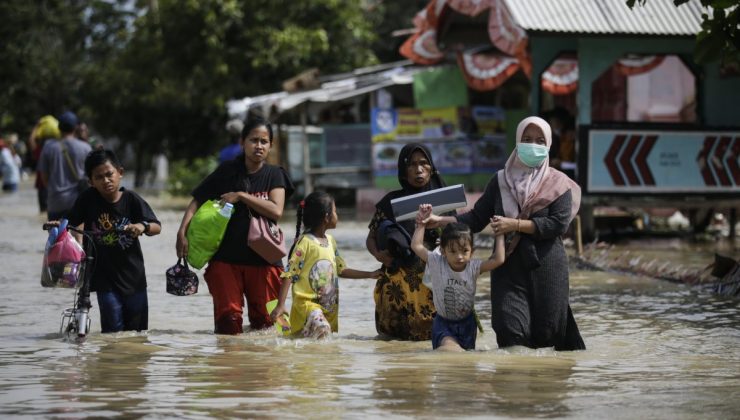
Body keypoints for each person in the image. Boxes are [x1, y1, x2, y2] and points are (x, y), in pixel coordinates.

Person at [423, 116, 585, 351]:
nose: (533, 145)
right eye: (527, 139)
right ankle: (510, 384)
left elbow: (558, 224)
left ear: (549, 145)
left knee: (549, 333)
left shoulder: (559, 184)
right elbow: (476, 218)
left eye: (540, 141)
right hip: (508, 265)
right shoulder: (500, 181)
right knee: (510, 330)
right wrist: (440, 220)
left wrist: (515, 225)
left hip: (548, 266)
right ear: (517, 142)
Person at [176, 116, 294, 334]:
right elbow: (197, 200)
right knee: (227, 324)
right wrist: (182, 232)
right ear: (242, 142)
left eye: (264, 141)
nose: (259, 146)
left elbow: (276, 210)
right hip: (225, 261)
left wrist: (242, 196)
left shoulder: (275, 174)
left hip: (265, 262)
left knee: (272, 327)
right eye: (253, 140)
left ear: (271, 145)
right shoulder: (227, 171)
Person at [65, 149, 161, 333]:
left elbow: (156, 226)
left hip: (134, 278)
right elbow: (70, 222)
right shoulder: (88, 199)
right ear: (91, 182)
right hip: (104, 280)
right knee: (112, 333)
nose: (106, 180)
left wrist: (142, 226)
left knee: (137, 334)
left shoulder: (131, 199)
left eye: (109, 174)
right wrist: (59, 226)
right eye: (99, 177)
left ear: (120, 173)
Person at [365, 143, 455, 340]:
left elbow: (460, 238)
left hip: (432, 284)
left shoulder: (445, 200)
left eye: (424, 163)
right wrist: (378, 254)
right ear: (404, 171)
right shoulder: (390, 202)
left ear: (431, 167)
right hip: (397, 290)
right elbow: (371, 237)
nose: (419, 169)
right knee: (394, 347)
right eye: (412, 164)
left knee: (434, 341)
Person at [270, 191, 381, 338]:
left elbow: (341, 270)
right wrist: (280, 305)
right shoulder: (305, 243)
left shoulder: (331, 241)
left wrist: (370, 274)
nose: (337, 215)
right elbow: (289, 273)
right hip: (307, 304)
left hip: (328, 306)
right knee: (322, 328)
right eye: (335, 211)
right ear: (326, 217)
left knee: (317, 344)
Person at [411, 204, 505, 351]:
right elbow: (416, 246)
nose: (459, 257)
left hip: (467, 324)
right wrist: (421, 224)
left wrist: (499, 233)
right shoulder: (436, 262)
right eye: (453, 251)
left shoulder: (474, 267)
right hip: (443, 324)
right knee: (449, 349)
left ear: (472, 252)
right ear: (442, 251)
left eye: (464, 251)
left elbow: (498, 259)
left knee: (465, 366)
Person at [37, 111, 92, 220]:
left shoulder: (48, 147)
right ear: (76, 127)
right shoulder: (85, 148)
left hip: (55, 202)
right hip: (79, 202)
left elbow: (44, 178)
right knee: (79, 236)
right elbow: (91, 177)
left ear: (58, 127)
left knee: (57, 236)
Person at [29, 115, 61, 213]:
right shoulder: (59, 149)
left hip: (43, 187)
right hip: (57, 186)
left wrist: (37, 126)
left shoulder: (42, 151)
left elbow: (31, 141)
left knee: (45, 214)